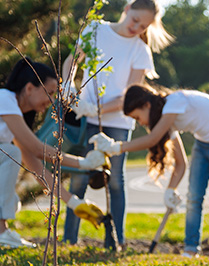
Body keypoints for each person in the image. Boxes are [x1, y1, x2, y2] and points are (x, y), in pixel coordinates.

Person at [62, 0, 173, 249]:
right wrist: (68, 85)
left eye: (143, 25)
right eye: (135, 20)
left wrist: (97, 109)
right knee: (79, 178)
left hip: (118, 122)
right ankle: (69, 239)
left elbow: (129, 97)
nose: (137, 27)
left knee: (115, 181)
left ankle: (116, 241)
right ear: (126, 10)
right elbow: (72, 60)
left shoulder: (140, 51)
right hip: (84, 117)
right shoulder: (95, 30)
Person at [90, 83, 209, 256]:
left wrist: (116, 147)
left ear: (146, 105)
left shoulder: (174, 103)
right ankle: (190, 249)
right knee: (193, 198)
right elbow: (181, 163)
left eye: (138, 117)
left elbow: (152, 139)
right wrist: (170, 190)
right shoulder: (167, 119)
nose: (141, 123)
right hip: (203, 142)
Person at [0, 57, 106, 248]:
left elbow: (37, 167)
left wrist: (73, 202)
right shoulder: (5, 99)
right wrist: (84, 163)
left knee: (11, 155)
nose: (51, 101)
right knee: (10, 152)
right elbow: (37, 149)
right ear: (30, 88)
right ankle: (1, 232)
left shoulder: (12, 117)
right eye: (49, 93)